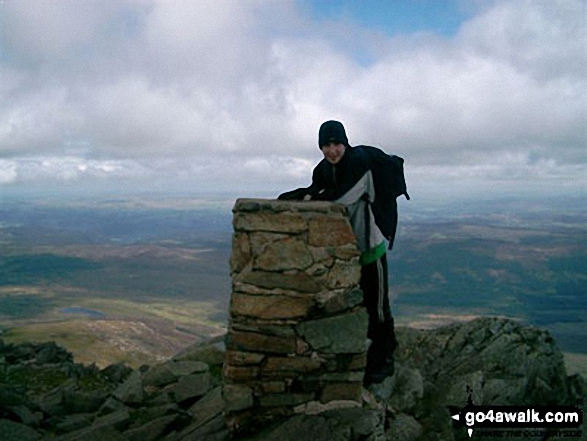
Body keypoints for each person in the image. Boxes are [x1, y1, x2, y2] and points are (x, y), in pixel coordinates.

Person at [278, 120, 409, 385]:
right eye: (326, 145)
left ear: (345, 142)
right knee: (361, 304)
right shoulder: (324, 169)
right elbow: (318, 190)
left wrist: (307, 199)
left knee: (378, 305)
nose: (332, 150)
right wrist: (299, 196)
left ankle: (385, 358)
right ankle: (369, 354)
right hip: (349, 251)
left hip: (371, 244)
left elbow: (340, 198)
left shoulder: (359, 163)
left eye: (336, 144)